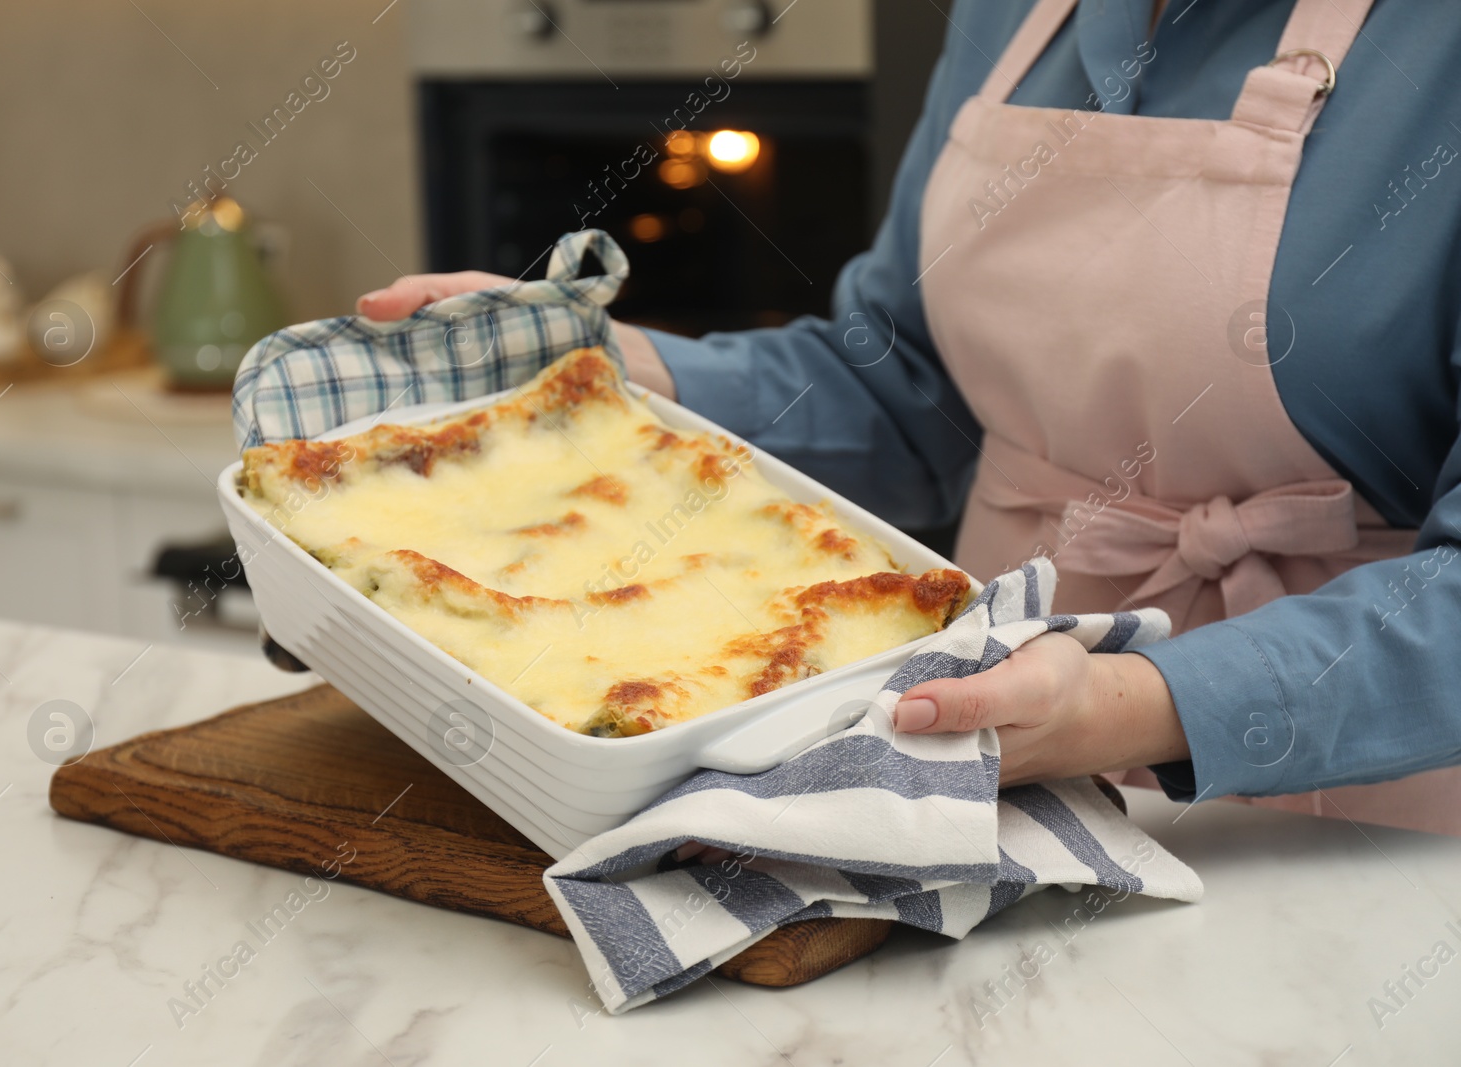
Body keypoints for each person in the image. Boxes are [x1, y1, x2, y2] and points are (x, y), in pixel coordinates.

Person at [354, 0, 1461, 837]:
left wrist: (1127, 702)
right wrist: (601, 377)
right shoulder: (1013, 15)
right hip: (976, 761)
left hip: (1358, 812)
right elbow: (910, 391)